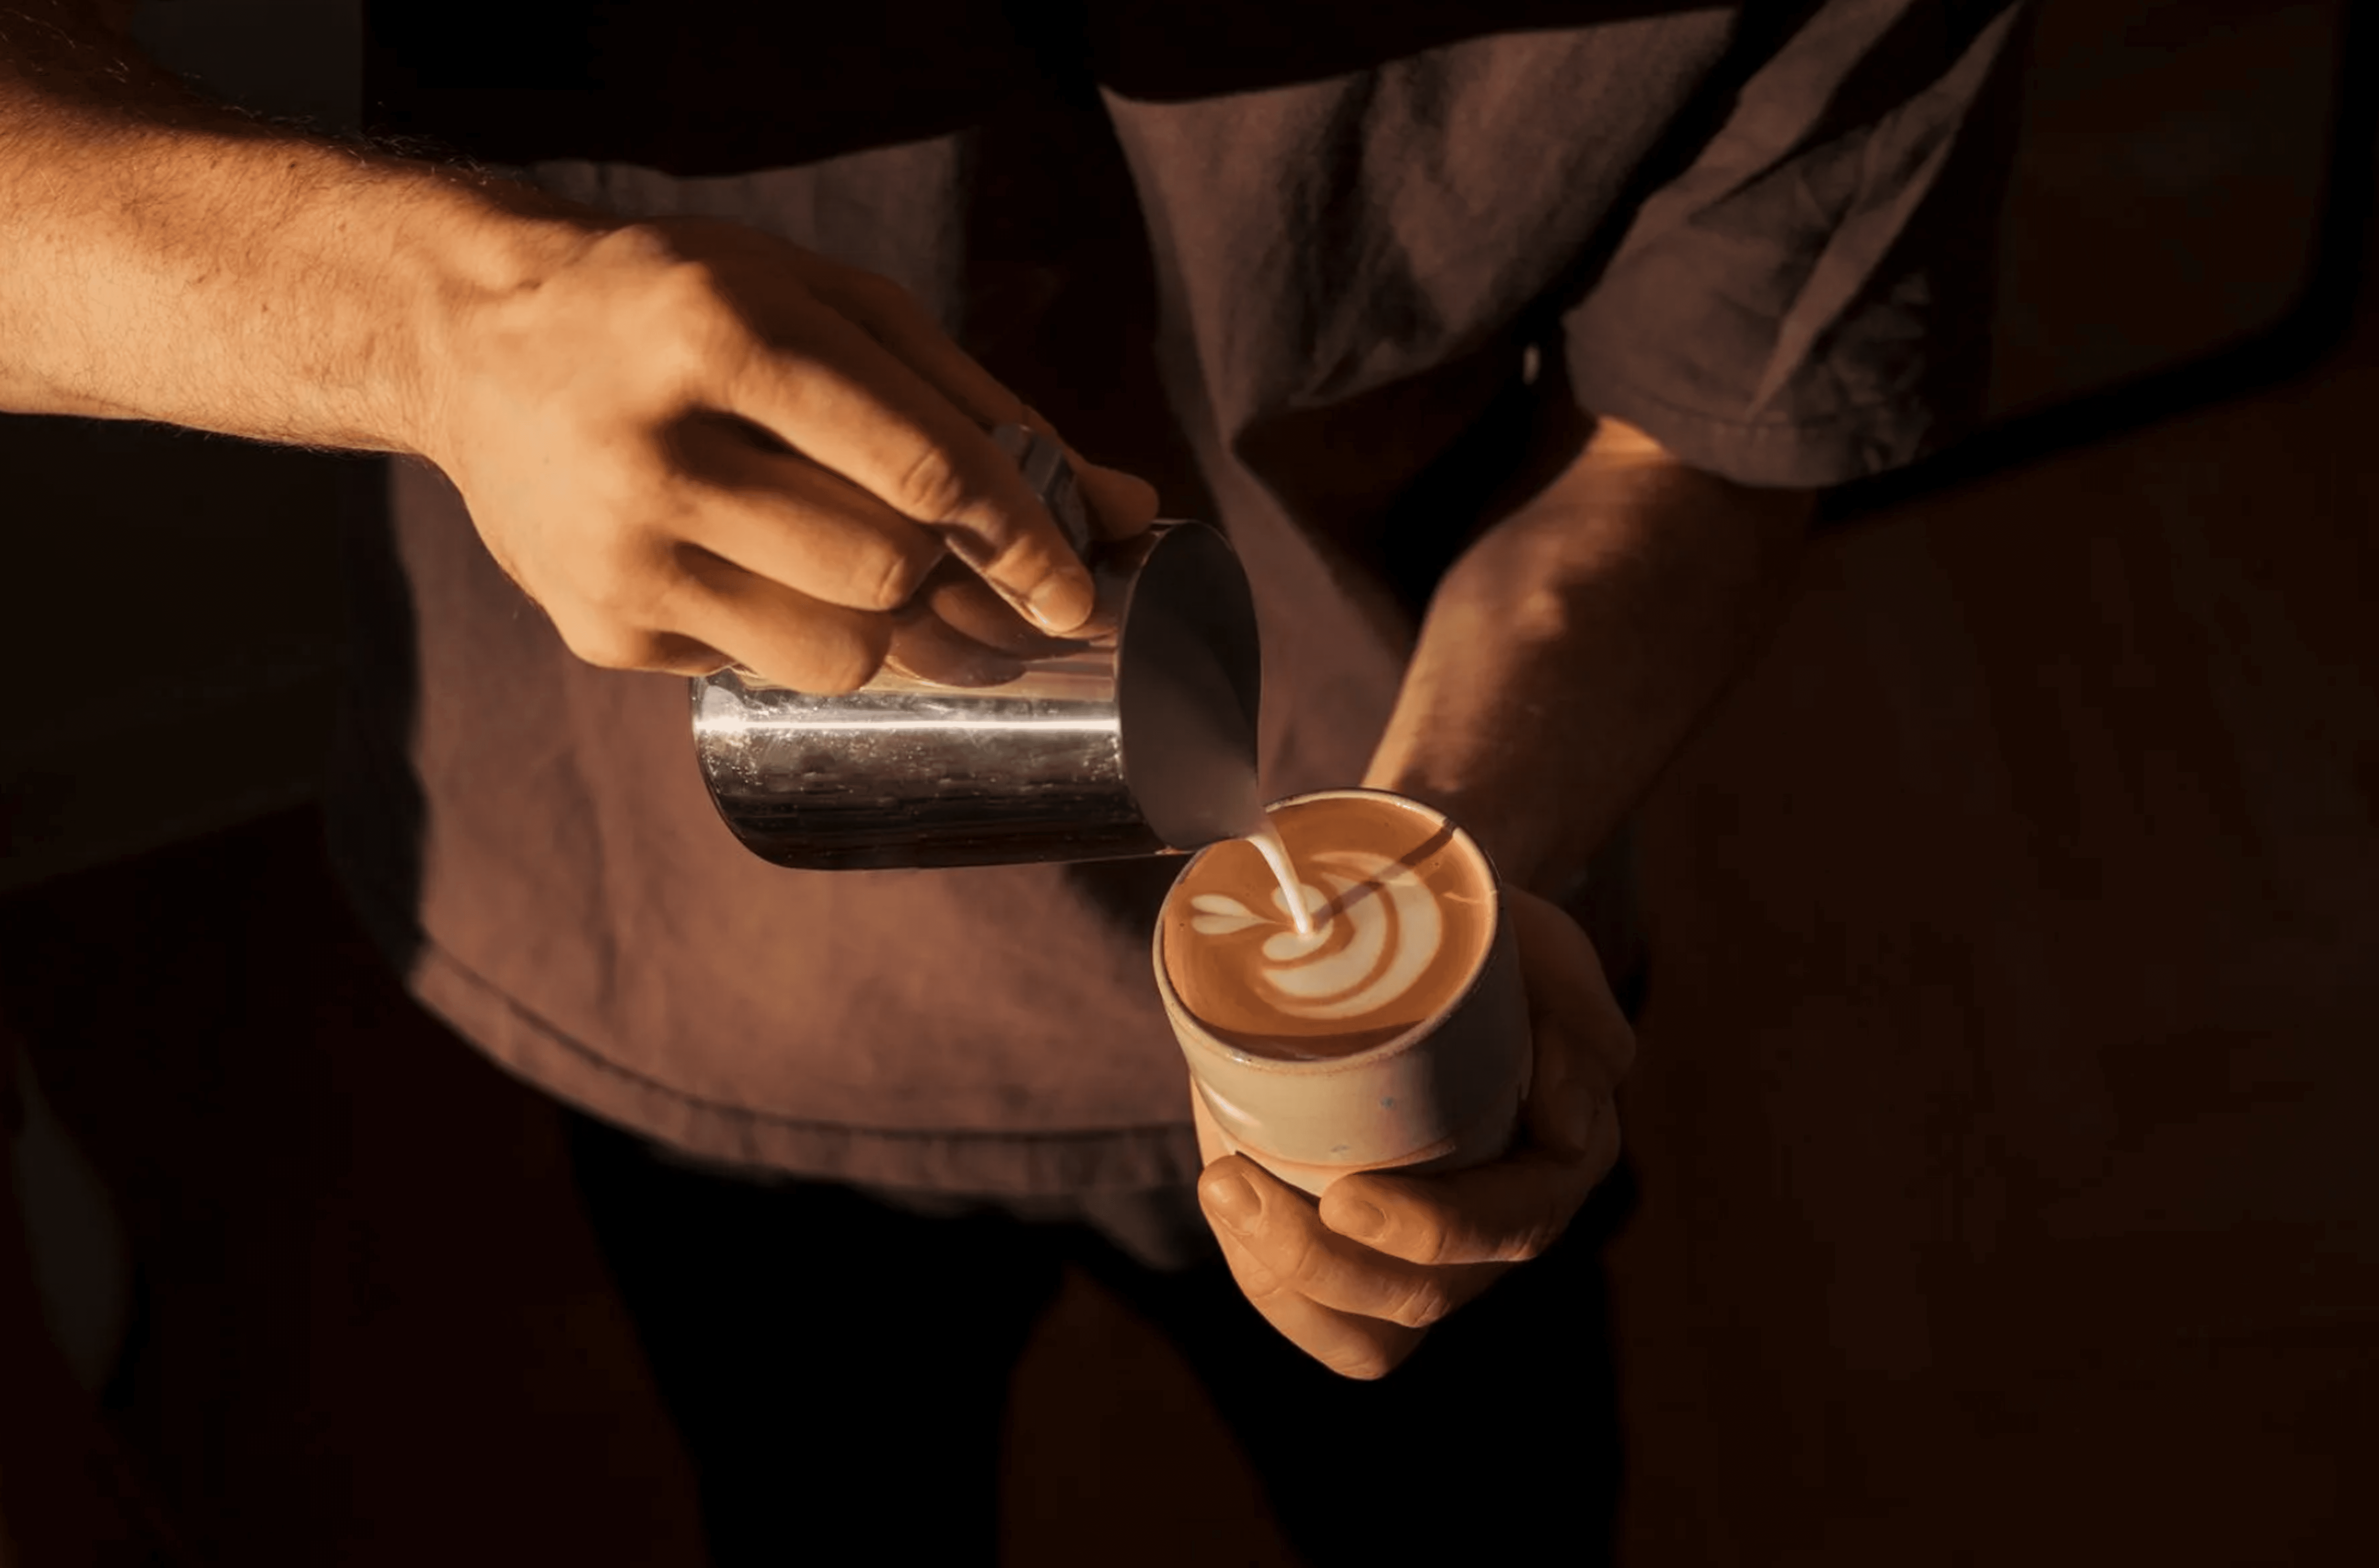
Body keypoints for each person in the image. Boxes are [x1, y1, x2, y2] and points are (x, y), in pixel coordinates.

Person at [0, 1, 2033, 1560]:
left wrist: (1452, 879)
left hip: (1448, 911)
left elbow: (1689, 425)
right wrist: (445, 323)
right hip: (702, 972)